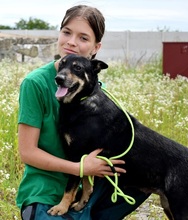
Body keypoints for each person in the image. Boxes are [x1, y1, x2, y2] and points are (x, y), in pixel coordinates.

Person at [16, 5, 150, 220]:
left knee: (147, 171)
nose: (71, 42)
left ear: (95, 48)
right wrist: (80, 168)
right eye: (66, 32)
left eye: (83, 38)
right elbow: (27, 153)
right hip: (46, 192)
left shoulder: (91, 87)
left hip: (90, 189)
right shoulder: (35, 84)